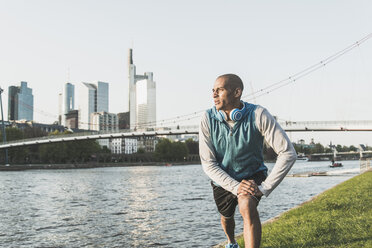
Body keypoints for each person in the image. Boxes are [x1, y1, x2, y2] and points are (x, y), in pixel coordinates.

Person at [199, 74, 297, 248]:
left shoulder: (258, 114)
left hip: (252, 175)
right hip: (222, 179)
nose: (214, 95)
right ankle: (231, 242)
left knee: (247, 205)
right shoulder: (207, 118)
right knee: (226, 218)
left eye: (220, 90)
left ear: (237, 92)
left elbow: (288, 152)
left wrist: (265, 188)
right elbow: (208, 163)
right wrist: (236, 187)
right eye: (213, 91)